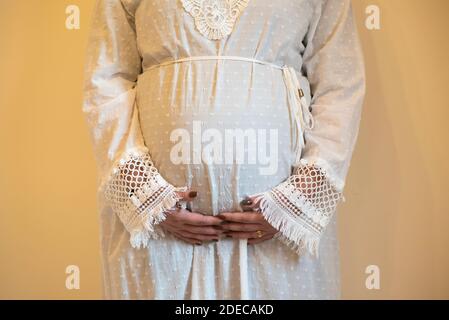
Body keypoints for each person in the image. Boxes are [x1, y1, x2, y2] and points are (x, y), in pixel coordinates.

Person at [82, 0, 366, 299]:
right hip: (157, 235)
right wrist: (147, 200)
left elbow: (340, 87)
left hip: (280, 238)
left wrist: (296, 205)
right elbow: (105, 81)